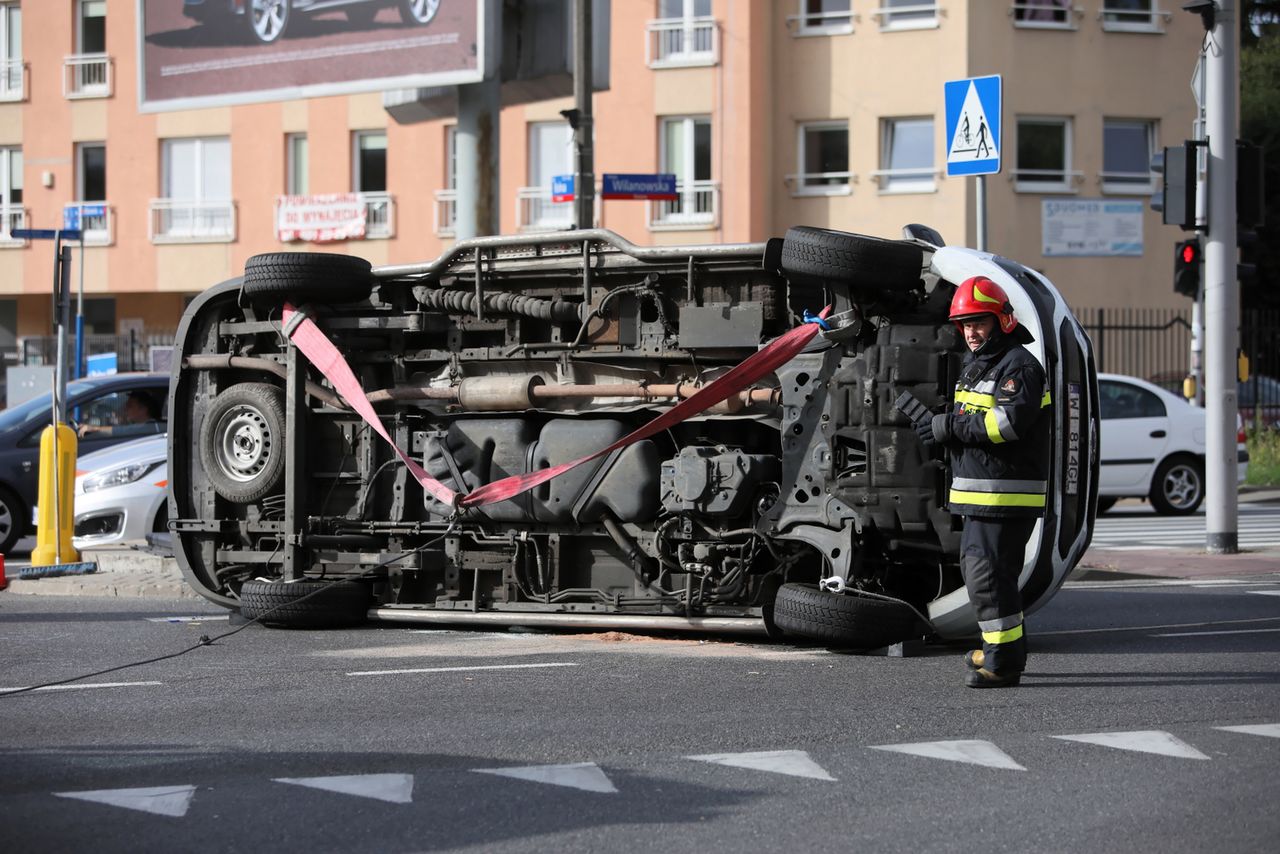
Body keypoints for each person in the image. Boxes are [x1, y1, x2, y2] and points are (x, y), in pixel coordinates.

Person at [918, 276, 1051, 688]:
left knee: (988, 577)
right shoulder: (981, 365)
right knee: (989, 576)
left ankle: (1002, 664)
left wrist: (949, 427)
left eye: (979, 323)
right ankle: (999, 651)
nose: (971, 333)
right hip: (983, 494)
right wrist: (941, 427)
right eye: (965, 325)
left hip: (1004, 496)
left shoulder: (1021, 367)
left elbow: (1007, 424)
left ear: (1003, 321)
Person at [78, 390, 163, 439]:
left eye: (130, 406)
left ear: (143, 409)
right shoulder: (140, 426)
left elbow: (125, 430)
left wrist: (96, 429)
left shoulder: (153, 427)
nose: (125, 409)